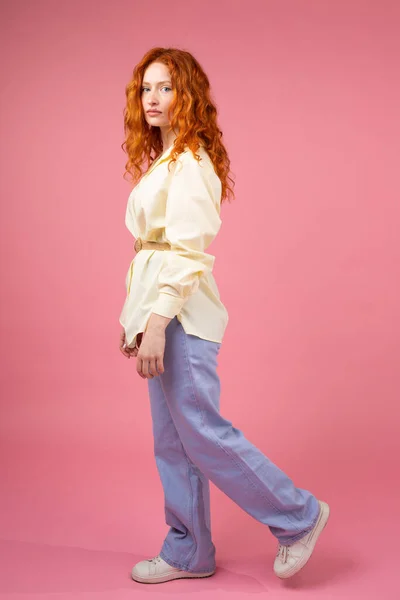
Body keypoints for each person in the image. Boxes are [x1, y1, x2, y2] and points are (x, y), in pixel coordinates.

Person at [118, 47, 330, 585]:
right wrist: (139, 322)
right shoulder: (165, 162)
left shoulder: (189, 163)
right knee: (175, 441)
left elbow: (187, 254)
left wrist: (159, 322)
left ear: (187, 94)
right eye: (147, 88)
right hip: (164, 318)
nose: (153, 98)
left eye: (166, 88)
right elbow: (153, 251)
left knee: (203, 433)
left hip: (183, 321)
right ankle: (189, 550)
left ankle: (298, 516)